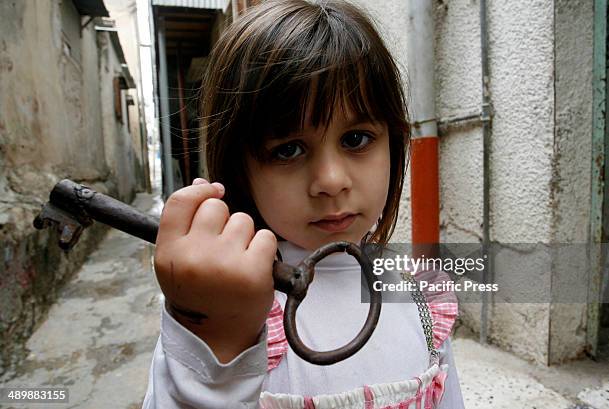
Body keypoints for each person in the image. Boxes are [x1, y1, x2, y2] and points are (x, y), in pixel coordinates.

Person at [143, 0, 464, 408]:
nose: (330, 181)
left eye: (356, 139)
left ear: (393, 142)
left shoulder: (420, 298)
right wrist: (217, 338)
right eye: (288, 149)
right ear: (240, 169)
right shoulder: (228, 305)